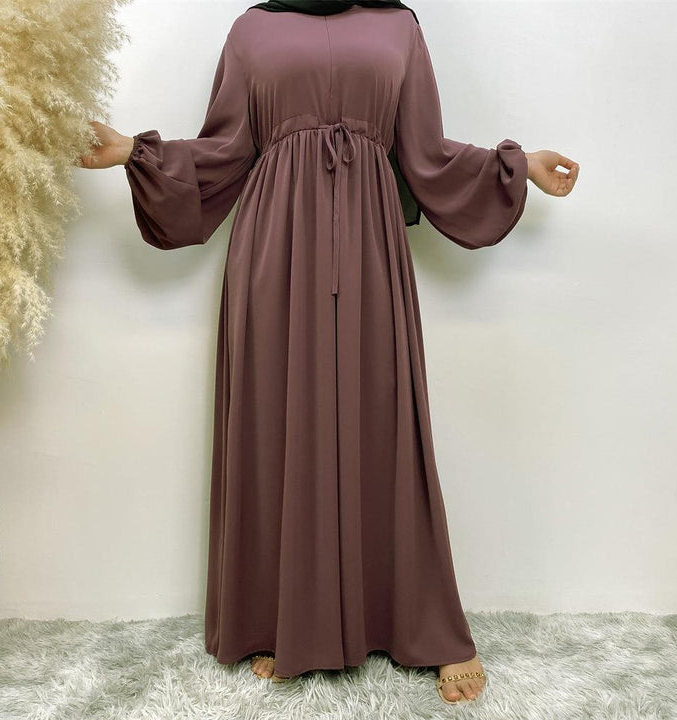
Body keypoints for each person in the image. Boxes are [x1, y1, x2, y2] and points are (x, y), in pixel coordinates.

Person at [79, 0, 578, 706]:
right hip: (274, 251)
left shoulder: (399, 26)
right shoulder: (252, 28)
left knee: (387, 422)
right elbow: (225, 151)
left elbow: (425, 154)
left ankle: (420, 623)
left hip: (371, 246)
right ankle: (282, 619)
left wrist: (516, 165)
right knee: (279, 420)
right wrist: (135, 150)